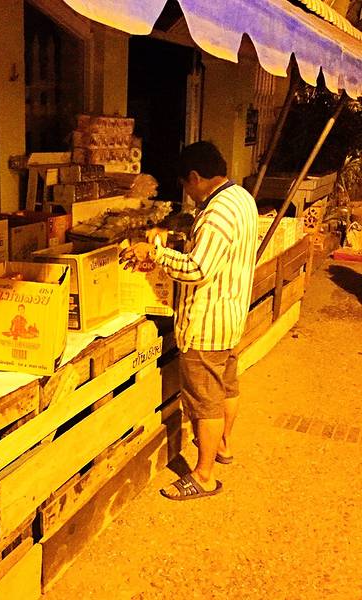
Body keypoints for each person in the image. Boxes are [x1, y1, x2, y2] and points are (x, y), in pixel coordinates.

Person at [120, 141, 258, 501]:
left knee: (204, 402)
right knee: (226, 388)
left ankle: (204, 475)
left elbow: (198, 269)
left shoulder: (217, 214)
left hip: (206, 324)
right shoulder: (241, 198)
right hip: (230, 316)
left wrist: (156, 254)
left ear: (195, 177)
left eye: (186, 185)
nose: (188, 194)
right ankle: (223, 446)